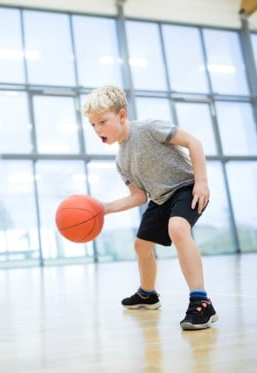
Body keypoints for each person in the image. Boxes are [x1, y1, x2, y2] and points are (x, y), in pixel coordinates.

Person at [83, 85, 218, 330]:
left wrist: (201, 182)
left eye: (102, 121)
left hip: (187, 187)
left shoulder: (149, 128)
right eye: (92, 125)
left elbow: (193, 142)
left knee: (177, 228)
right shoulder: (121, 160)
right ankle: (148, 294)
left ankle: (201, 302)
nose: (97, 129)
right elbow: (137, 197)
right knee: (141, 245)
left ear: (122, 115)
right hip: (160, 198)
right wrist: (103, 208)